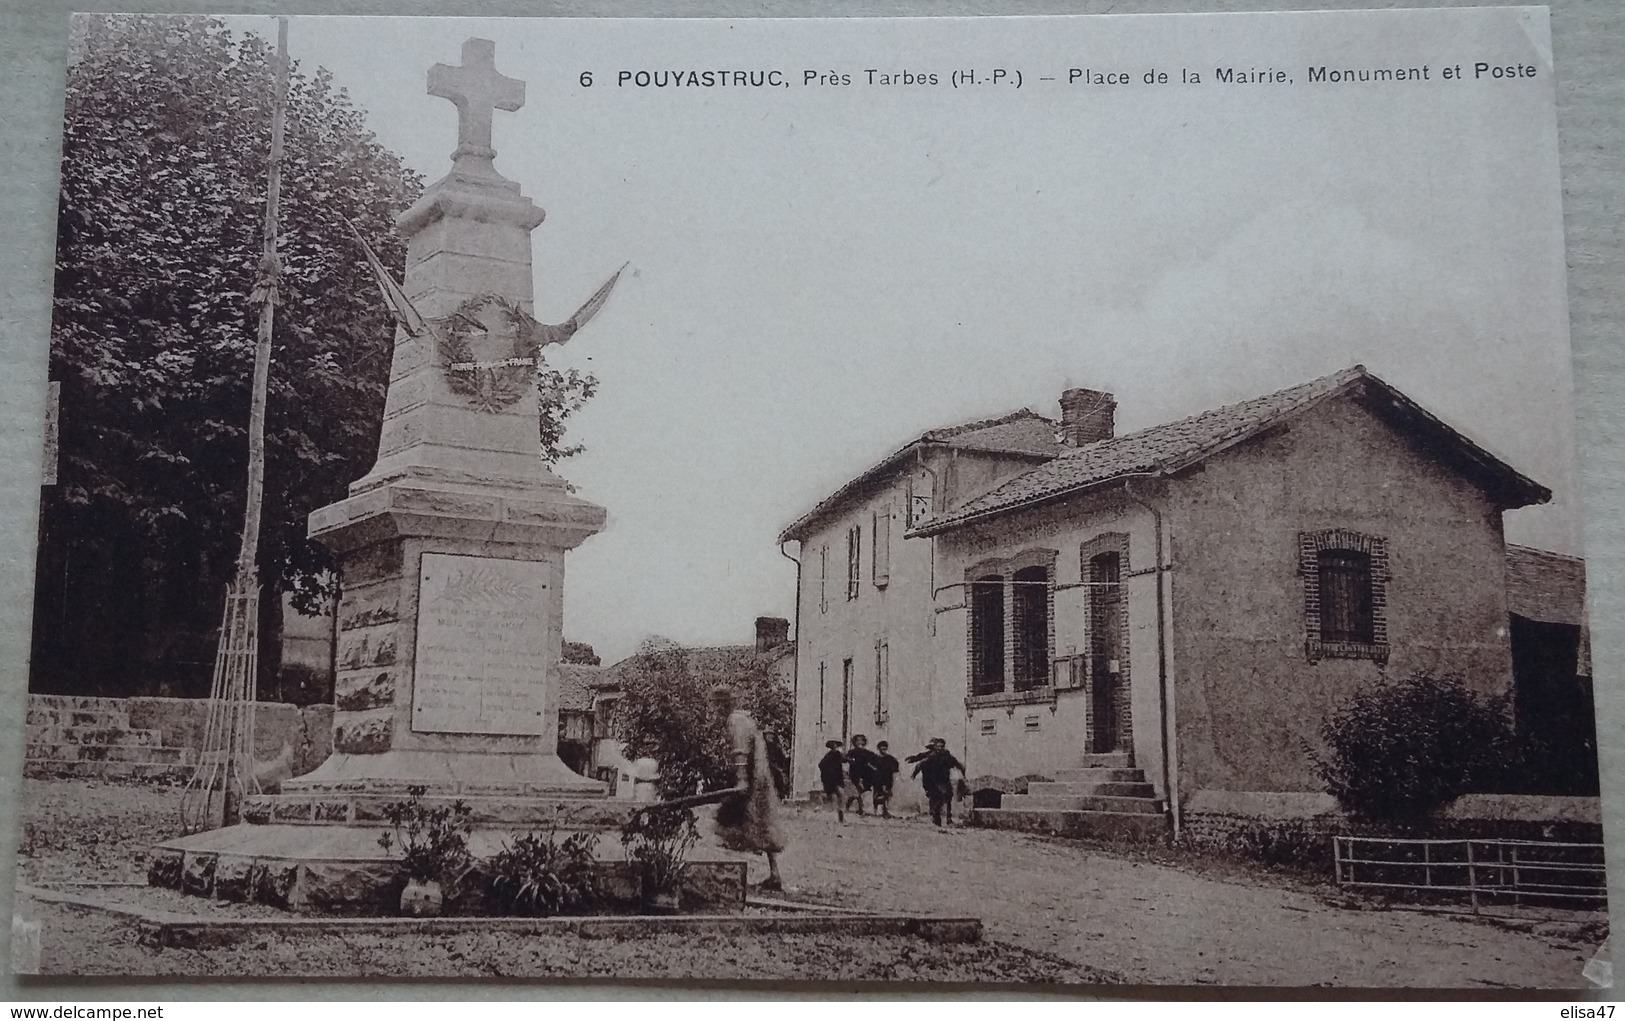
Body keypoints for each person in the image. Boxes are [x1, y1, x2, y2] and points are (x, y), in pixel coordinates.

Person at [710, 684, 787, 890]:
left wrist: (742, 779)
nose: (716, 710)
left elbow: (740, 752)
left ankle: (726, 877)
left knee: (723, 824)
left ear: (723, 705)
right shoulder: (746, 719)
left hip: (751, 781)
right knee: (762, 824)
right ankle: (774, 874)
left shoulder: (736, 722)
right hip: (759, 779)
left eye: (718, 705)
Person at [911, 737, 966, 828]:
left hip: (944, 780)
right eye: (938, 746)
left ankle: (947, 817)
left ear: (944, 747)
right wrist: (914, 774)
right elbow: (920, 764)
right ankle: (936, 817)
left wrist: (963, 774)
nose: (940, 748)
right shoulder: (931, 756)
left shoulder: (947, 756)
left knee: (948, 796)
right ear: (935, 747)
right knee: (937, 798)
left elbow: (958, 764)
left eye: (942, 746)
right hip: (934, 781)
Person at [844, 734, 878, 816]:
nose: (859, 742)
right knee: (860, 790)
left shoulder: (867, 753)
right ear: (854, 742)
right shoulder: (852, 752)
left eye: (861, 740)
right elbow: (846, 759)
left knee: (859, 792)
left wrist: (873, 767)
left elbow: (874, 760)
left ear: (864, 742)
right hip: (855, 774)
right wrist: (850, 760)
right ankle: (860, 809)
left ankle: (849, 805)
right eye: (857, 740)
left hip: (865, 774)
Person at [817, 739, 848, 822]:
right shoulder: (837, 754)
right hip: (836, 778)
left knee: (833, 795)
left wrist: (826, 774)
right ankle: (840, 811)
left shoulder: (827, 756)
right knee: (842, 795)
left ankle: (836, 813)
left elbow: (820, 765)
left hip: (829, 778)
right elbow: (845, 759)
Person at [871, 740, 901, 819]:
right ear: (878, 748)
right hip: (877, 780)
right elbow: (870, 767)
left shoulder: (890, 759)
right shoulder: (874, 758)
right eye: (882, 748)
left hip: (887, 779)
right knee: (877, 794)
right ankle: (875, 810)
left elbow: (895, 768)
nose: (884, 750)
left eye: (885, 748)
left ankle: (885, 810)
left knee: (886, 794)